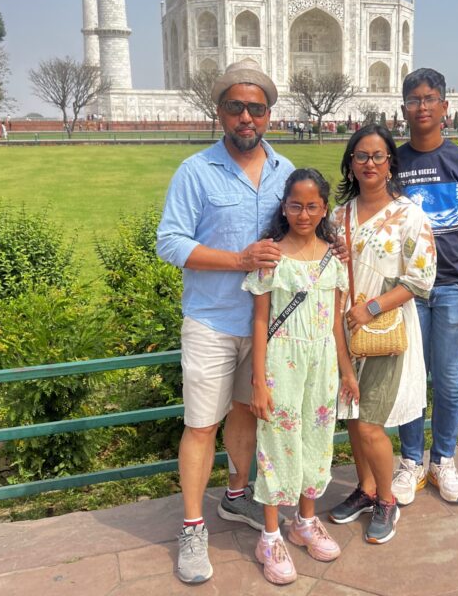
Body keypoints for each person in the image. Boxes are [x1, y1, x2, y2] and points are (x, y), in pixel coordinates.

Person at [156, 59, 295, 585]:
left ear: (269, 114)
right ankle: (193, 526)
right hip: (213, 320)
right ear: (219, 111)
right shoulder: (196, 171)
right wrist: (239, 259)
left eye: (256, 108)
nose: (246, 117)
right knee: (200, 425)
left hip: (267, 323)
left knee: (245, 415)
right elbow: (170, 242)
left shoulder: (284, 171)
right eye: (236, 106)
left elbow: (302, 230)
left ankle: (236, 495)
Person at [243, 168, 358, 585]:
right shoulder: (271, 257)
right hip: (281, 363)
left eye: (312, 206)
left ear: (324, 208)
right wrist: (258, 381)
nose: (303, 214)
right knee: (277, 442)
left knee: (317, 439)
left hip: (322, 362)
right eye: (296, 205)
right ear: (284, 207)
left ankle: (305, 522)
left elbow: (336, 323)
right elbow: (260, 321)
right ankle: (270, 535)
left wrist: (346, 371)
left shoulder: (335, 258)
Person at [328, 125, 436, 544]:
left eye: (377, 156)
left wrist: (371, 308)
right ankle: (366, 488)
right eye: (361, 156)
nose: (369, 163)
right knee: (353, 418)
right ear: (350, 163)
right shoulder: (339, 216)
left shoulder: (409, 215)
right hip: (344, 330)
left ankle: (387, 501)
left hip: (386, 329)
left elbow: (421, 279)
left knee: (371, 422)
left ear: (391, 162)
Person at [392, 68, 458, 507]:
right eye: (414, 100)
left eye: (430, 99)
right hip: (408, 290)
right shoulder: (394, 163)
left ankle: (443, 460)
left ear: (445, 107)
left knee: (448, 382)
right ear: (404, 109)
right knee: (410, 380)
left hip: (452, 287)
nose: (422, 107)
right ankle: (411, 461)